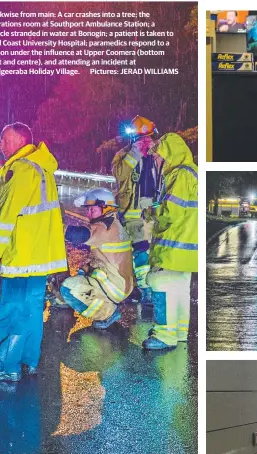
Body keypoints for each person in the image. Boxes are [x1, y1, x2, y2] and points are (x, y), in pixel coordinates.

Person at [0, 122, 67, 383]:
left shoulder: (18, 170)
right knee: (31, 312)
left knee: (12, 312)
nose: (0, 146)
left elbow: (7, 218)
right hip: (40, 257)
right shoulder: (42, 167)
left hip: (21, 257)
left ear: (19, 141)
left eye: (4, 140)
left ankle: (8, 366)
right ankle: (29, 361)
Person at [143, 133, 198, 350]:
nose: (156, 162)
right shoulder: (193, 172)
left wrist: (149, 212)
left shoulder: (180, 175)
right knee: (180, 289)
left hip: (174, 245)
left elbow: (170, 212)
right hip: (187, 248)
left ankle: (165, 334)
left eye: (158, 157)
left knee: (161, 283)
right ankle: (179, 331)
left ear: (168, 156)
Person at [58, 188, 134, 329]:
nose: (88, 214)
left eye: (93, 210)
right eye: (88, 210)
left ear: (106, 208)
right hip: (119, 282)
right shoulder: (114, 224)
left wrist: (55, 227)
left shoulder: (105, 227)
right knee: (81, 273)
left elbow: (80, 235)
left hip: (114, 287)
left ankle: (107, 313)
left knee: (68, 288)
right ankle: (103, 303)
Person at [112, 115, 159, 301]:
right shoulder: (124, 154)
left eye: (146, 137)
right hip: (131, 212)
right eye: (140, 138)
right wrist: (135, 154)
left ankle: (149, 288)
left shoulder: (159, 153)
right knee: (137, 251)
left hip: (153, 211)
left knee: (151, 252)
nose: (143, 141)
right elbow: (119, 174)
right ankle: (142, 290)